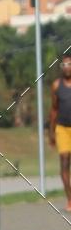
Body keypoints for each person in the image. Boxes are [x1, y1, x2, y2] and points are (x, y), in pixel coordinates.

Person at [49, 54, 71, 211]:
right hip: (62, 128)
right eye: (63, 65)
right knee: (64, 163)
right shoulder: (56, 85)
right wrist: (50, 131)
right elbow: (54, 110)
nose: (67, 67)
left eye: (69, 64)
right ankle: (70, 200)